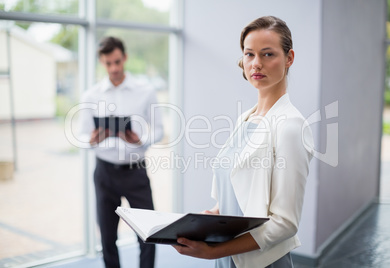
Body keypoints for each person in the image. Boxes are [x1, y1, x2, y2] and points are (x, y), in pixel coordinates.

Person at [173, 16, 314, 268]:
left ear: (289, 58)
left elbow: (285, 223)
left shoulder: (291, 127)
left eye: (268, 54)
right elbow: (238, 196)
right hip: (228, 259)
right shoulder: (246, 118)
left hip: (259, 262)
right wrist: (208, 218)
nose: (256, 64)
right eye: (249, 54)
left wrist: (213, 252)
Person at [79, 36, 164, 268]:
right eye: (108, 63)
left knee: (148, 234)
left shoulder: (145, 91)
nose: (114, 68)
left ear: (124, 58)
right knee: (107, 237)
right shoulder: (91, 96)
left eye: (117, 61)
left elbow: (158, 130)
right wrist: (92, 139)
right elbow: (81, 136)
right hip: (104, 173)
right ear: (102, 62)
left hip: (135, 172)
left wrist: (140, 140)